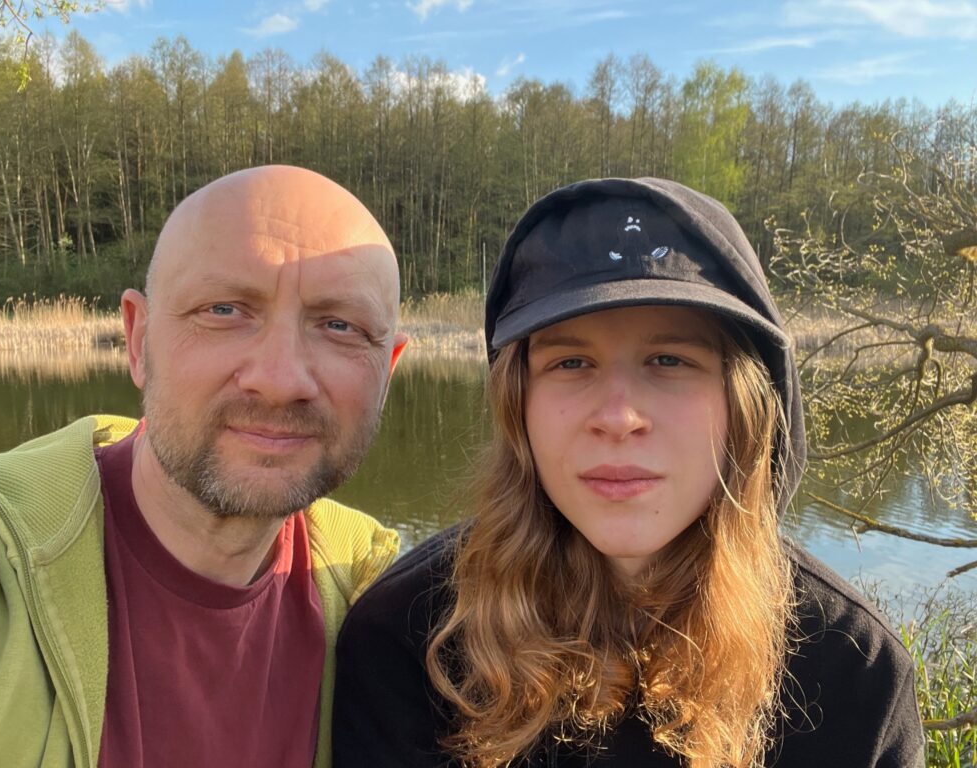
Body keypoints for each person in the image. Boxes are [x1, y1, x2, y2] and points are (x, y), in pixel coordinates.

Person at [333, 178, 924, 768]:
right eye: (571, 362)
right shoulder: (409, 642)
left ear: (745, 403)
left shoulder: (853, 668)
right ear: (518, 403)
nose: (618, 417)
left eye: (669, 360)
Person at [0, 165, 408, 768]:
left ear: (387, 373)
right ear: (138, 340)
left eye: (340, 326)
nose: (280, 380)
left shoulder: (389, 611)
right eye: (224, 310)